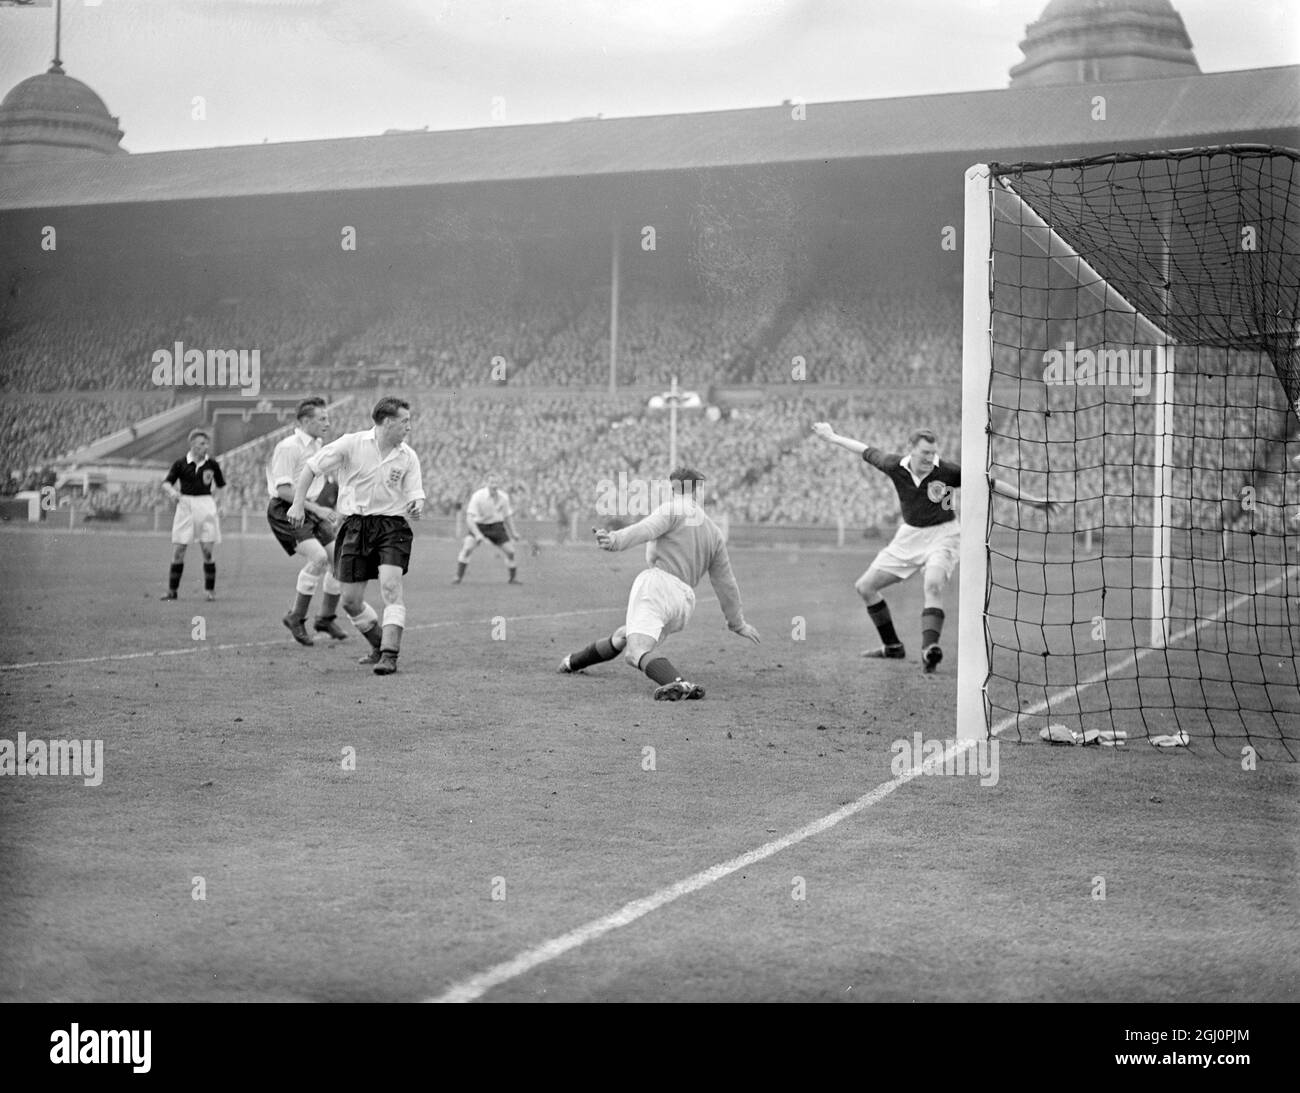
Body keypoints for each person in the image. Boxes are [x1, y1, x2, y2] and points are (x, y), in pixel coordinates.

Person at [811, 422, 1058, 672]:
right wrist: (832, 437)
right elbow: (863, 449)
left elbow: (990, 483)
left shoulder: (948, 471)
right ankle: (892, 647)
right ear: (911, 450)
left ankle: (930, 650)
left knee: (932, 583)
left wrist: (1033, 502)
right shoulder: (894, 465)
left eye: (933, 453)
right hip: (909, 536)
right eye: (925, 453)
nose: (930, 458)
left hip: (944, 535)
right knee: (865, 587)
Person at [559, 467, 760, 701]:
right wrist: (737, 623)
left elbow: (645, 529)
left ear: (674, 488)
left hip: (659, 586)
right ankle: (572, 662)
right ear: (698, 490)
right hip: (683, 602)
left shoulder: (673, 509)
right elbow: (726, 581)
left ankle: (678, 683)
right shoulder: (713, 532)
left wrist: (614, 539)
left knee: (636, 652)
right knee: (625, 635)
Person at [288, 397, 424, 676]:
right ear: (387, 422)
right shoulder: (351, 444)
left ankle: (389, 654)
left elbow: (415, 494)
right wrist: (298, 503)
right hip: (354, 526)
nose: (409, 427)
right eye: (404, 421)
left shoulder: (408, 456)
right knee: (350, 600)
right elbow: (312, 468)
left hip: (392, 527)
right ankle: (378, 645)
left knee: (390, 587)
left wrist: (416, 505)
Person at [265, 397, 348, 646]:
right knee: (319, 558)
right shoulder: (289, 447)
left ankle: (324, 618)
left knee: (339, 560)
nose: (327, 422)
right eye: (322, 418)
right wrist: (318, 510)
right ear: (304, 421)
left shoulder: (318, 445)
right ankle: (296, 616)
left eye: (327, 417)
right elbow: (284, 491)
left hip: (310, 508)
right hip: (287, 509)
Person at [160, 428, 224, 601]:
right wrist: (173, 492)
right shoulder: (181, 463)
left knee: (207, 551)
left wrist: (217, 502)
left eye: (207, 443)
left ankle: (210, 592)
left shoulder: (212, 464)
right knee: (179, 550)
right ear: (193, 445)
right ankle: (172, 591)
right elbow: (166, 483)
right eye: (202, 443)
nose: (206, 446)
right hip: (185, 505)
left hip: (205, 504)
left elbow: (220, 486)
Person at [453, 472, 521, 584]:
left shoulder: (504, 497)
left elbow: (507, 516)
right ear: (486, 483)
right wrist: (478, 534)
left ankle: (513, 579)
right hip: (479, 525)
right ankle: (458, 577)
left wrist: (514, 533)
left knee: (511, 552)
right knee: (467, 548)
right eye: (492, 482)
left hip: (496, 526)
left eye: (496, 483)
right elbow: (469, 518)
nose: (494, 485)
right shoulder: (478, 496)